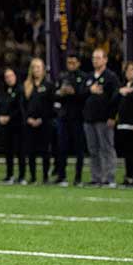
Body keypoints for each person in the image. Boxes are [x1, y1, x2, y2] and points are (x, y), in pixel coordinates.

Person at [82, 48, 119, 187]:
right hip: (89, 119)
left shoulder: (111, 77)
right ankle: (96, 177)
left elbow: (115, 98)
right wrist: (89, 90)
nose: (95, 60)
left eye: (98, 58)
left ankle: (109, 177)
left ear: (105, 59)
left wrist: (112, 116)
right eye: (93, 58)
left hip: (104, 119)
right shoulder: (89, 77)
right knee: (93, 150)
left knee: (106, 148)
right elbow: (81, 93)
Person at [54, 54, 87, 186]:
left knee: (79, 148)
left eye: (73, 62)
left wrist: (75, 92)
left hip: (78, 117)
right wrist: (60, 93)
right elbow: (55, 96)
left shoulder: (84, 77)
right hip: (64, 116)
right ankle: (61, 176)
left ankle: (78, 177)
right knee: (61, 147)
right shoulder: (63, 77)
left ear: (78, 63)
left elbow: (85, 95)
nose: (71, 65)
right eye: (69, 62)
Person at [22, 58, 55, 184]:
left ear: (43, 70)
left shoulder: (48, 86)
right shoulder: (26, 86)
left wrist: (42, 118)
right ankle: (33, 176)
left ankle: (45, 177)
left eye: (38, 67)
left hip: (44, 123)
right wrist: (28, 118)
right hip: (29, 123)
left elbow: (51, 106)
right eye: (34, 67)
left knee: (45, 150)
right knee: (30, 151)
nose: (36, 70)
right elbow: (23, 105)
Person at [0, 67, 25, 183]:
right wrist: (0, 116)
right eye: (7, 77)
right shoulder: (3, 92)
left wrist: (9, 117)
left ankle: (21, 176)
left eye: (11, 76)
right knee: (8, 151)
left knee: (20, 151)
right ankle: (9, 175)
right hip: (5, 125)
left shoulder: (20, 90)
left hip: (18, 124)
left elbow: (20, 108)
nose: (9, 79)